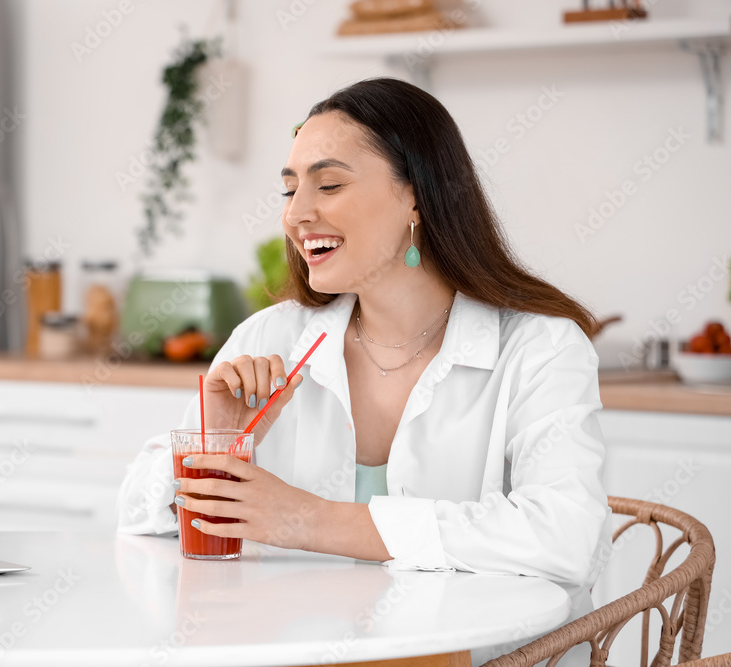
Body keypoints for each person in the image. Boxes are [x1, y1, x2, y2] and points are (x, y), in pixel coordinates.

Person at [117, 77, 611, 663]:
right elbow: (138, 514)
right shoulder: (270, 337)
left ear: (418, 197)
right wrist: (214, 439)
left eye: (329, 184)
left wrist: (309, 521)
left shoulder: (540, 349)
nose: (298, 215)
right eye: (289, 190)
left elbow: (565, 534)